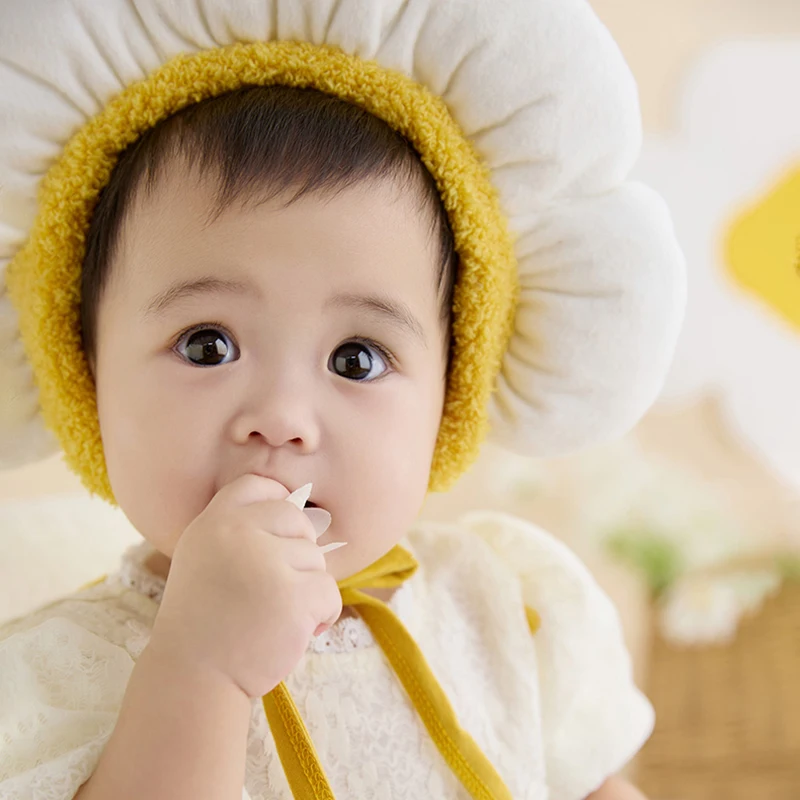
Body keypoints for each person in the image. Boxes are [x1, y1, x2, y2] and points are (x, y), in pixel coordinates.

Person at [0, 1, 686, 798]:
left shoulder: (505, 608)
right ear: (85, 373)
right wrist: (200, 666)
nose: (283, 418)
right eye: (206, 345)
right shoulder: (56, 675)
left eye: (357, 358)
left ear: (449, 397)